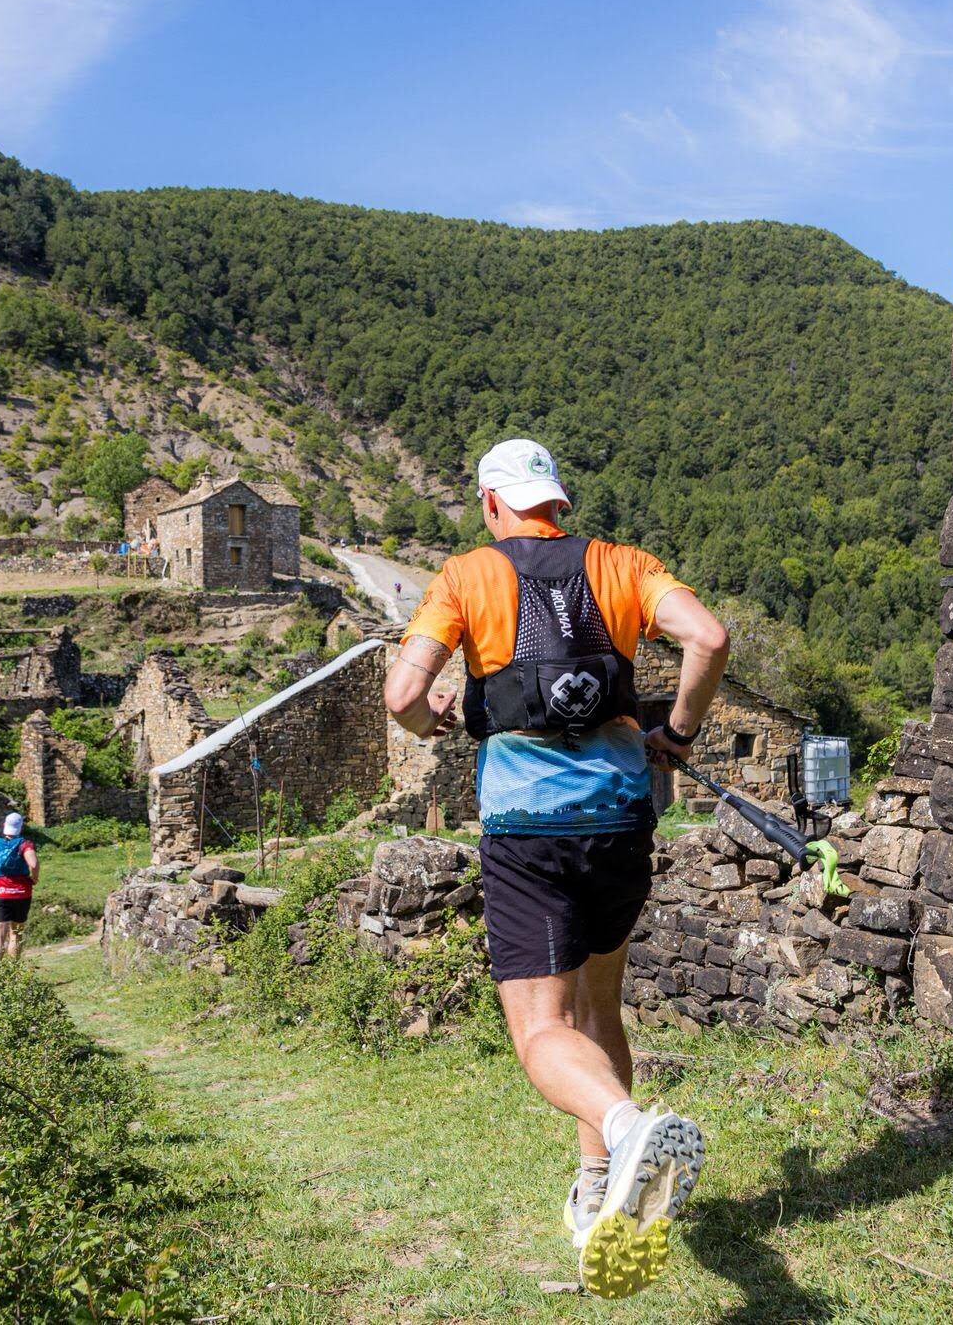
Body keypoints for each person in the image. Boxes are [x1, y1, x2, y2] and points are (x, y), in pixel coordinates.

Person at [383, 437, 730, 1299]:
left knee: (542, 1031)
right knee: (596, 1005)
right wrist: (676, 734)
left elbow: (400, 698)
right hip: (621, 823)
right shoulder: (623, 565)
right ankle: (599, 1183)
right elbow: (709, 638)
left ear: (492, 504)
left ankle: (625, 1127)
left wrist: (433, 722)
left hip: (528, 833)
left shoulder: (466, 577)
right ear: (557, 503)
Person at [0, 812, 39, 961]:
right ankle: (13, 972)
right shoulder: (25, 844)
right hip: (22, 893)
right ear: (20, 827)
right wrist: (34, 878)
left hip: (1, 893)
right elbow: (34, 864)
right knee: (16, 933)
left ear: (5, 825)